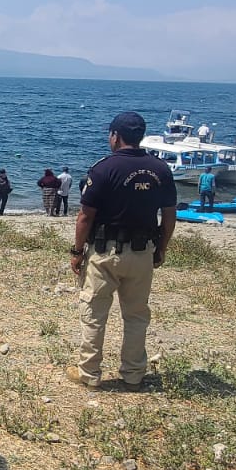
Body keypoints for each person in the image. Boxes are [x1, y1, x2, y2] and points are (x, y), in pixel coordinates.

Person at [66, 112, 176, 391]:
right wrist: (161, 248)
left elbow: (85, 217)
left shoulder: (104, 169)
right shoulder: (161, 169)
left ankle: (89, 373)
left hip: (105, 253)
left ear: (115, 136)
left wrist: (77, 251)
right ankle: (133, 375)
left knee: (94, 313)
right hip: (142, 252)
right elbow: (169, 215)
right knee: (136, 315)